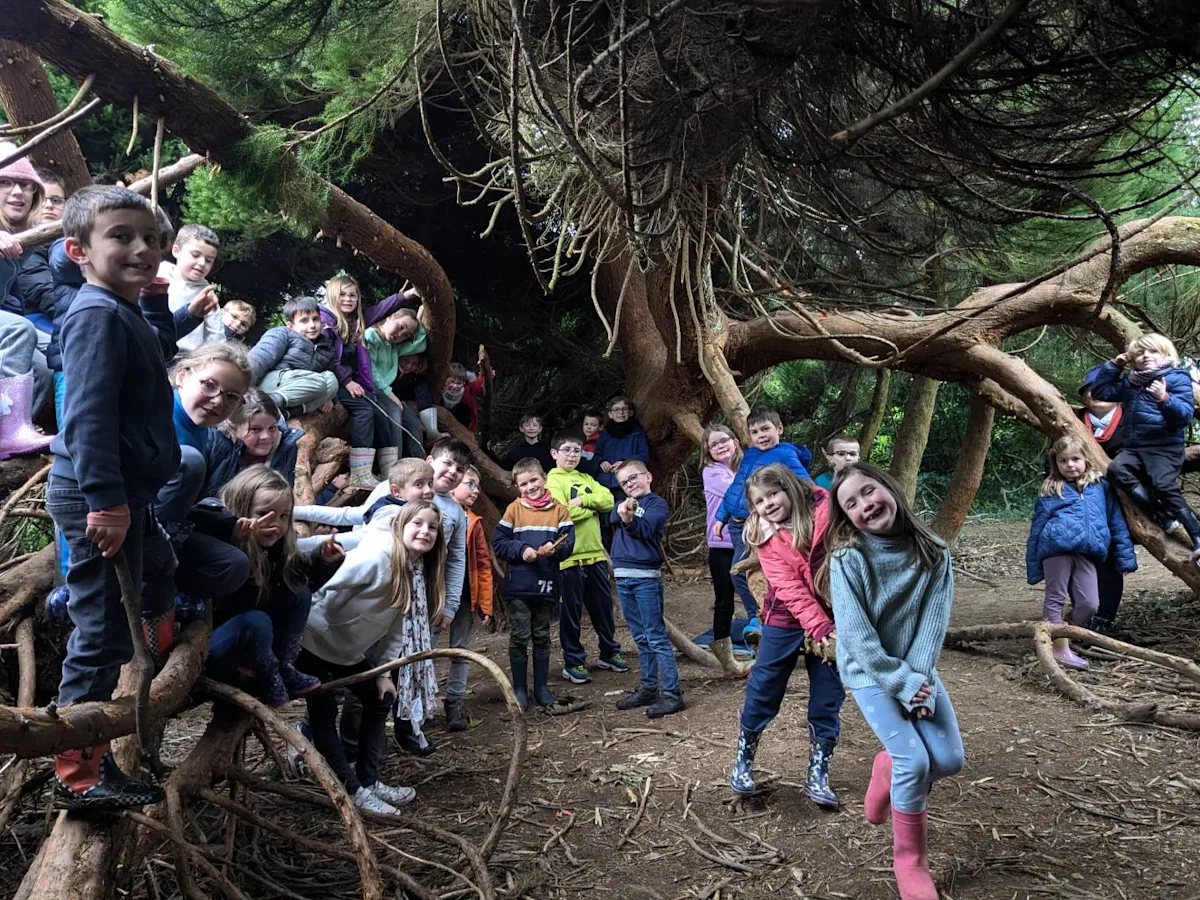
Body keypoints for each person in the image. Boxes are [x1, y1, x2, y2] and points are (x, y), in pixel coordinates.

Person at [47, 185, 181, 809]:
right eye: (121, 237)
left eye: (150, 238)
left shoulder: (121, 307)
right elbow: (87, 417)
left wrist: (154, 303)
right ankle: (78, 775)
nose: (142, 248)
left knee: (162, 573)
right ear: (77, 250)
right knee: (99, 635)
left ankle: (123, 644)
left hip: (130, 492)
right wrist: (106, 502)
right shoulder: (94, 314)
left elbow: (151, 362)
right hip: (97, 495)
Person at [822, 463, 964, 900]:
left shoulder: (934, 552)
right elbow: (856, 637)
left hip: (916, 669)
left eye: (869, 491)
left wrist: (918, 681)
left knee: (948, 759)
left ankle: (886, 768)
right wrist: (899, 683)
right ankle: (910, 863)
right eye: (852, 504)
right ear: (846, 518)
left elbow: (932, 625)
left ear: (889, 487)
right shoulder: (848, 559)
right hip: (870, 674)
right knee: (915, 762)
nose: (866, 505)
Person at [299, 500, 444, 815]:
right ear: (401, 526)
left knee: (379, 701)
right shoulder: (378, 557)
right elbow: (326, 585)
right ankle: (352, 792)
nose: (425, 531)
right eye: (417, 523)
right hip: (313, 642)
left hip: (346, 652)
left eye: (432, 527)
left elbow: (395, 630)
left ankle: (368, 780)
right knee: (324, 714)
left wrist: (381, 674)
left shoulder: (413, 570)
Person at [728, 464, 844, 809]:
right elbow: (789, 587)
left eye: (773, 494)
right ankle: (743, 762)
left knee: (828, 690)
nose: (768, 504)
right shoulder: (764, 535)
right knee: (765, 683)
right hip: (786, 614)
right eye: (759, 501)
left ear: (789, 487)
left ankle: (818, 771)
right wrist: (817, 625)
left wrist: (830, 624)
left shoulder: (828, 509)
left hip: (835, 610)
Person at [199, 466, 342, 703]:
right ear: (240, 509)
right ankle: (267, 675)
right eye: (264, 513)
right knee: (256, 621)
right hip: (215, 650)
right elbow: (199, 512)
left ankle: (283, 666)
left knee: (299, 593)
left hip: (253, 650)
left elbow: (299, 583)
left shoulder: (274, 549)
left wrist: (322, 561)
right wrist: (230, 528)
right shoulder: (220, 547)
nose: (275, 523)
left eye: (284, 516)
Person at [1027, 435, 1137, 669]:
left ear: (1086, 459)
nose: (1070, 465)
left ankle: (1062, 632)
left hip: (1088, 553)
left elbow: (1116, 521)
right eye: (1063, 461)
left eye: (1075, 459)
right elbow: (1037, 527)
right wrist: (1034, 565)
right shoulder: (1051, 488)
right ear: (1055, 463)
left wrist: (1125, 558)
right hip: (1057, 549)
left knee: (1090, 604)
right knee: (1055, 597)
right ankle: (1058, 649)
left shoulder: (1100, 487)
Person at [158, 343, 254, 605]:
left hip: (168, 535)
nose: (219, 401)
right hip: (125, 527)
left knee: (233, 565)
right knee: (189, 461)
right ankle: (151, 580)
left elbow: (184, 506)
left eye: (232, 397)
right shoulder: (153, 410)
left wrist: (227, 524)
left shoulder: (207, 435)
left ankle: (173, 594)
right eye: (209, 385)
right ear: (182, 375)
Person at [1090, 334, 1200, 558]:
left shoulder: (1177, 378)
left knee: (1163, 486)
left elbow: (1184, 417)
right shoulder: (1132, 382)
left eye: (1152, 351)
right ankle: (1161, 514)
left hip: (1164, 447)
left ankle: (1197, 535)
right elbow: (1101, 392)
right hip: (1136, 447)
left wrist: (1164, 398)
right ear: (1133, 359)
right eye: (1139, 353)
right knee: (1116, 470)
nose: (1145, 356)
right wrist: (1114, 366)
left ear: (1166, 355)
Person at [713, 407, 813, 645]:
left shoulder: (786, 455)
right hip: (736, 524)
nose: (761, 435)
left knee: (750, 571)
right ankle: (758, 616)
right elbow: (737, 487)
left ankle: (763, 616)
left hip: (756, 522)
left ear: (779, 429)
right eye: (755, 431)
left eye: (766, 429)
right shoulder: (749, 454)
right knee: (738, 573)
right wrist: (720, 516)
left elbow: (805, 484)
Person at [544, 429, 628, 684]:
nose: (572, 455)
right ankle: (573, 661)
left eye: (577, 450)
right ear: (554, 453)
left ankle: (609, 651)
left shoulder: (587, 477)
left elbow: (608, 500)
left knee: (603, 608)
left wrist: (584, 501)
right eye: (567, 450)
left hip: (595, 553)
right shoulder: (552, 480)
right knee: (570, 613)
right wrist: (589, 508)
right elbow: (562, 513)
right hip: (569, 556)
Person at [492, 459, 575, 708]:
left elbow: (568, 542)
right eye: (524, 484)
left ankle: (541, 687)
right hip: (519, 586)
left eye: (534, 480)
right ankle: (519, 687)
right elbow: (498, 542)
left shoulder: (559, 510)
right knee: (519, 637)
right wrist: (522, 549)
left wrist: (555, 551)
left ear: (544, 478)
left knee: (541, 636)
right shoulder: (513, 510)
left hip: (546, 585)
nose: (530, 487)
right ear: (518, 487)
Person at [321, 274, 417, 486]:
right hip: (333, 380)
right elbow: (328, 359)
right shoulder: (326, 321)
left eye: (352, 295)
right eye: (343, 295)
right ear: (333, 295)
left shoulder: (355, 322)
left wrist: (408, 295)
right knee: (364, 411)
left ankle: (388, 474)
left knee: (380, 416)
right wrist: (347, 382)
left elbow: (380, 309)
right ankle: (360, 473)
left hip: (352, 381)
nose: (348, 299)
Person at [611, 460, 683, 718]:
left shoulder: (656, 504)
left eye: (634, 478)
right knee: (640, 636)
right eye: (624, 482)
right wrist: (625, 512)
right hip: (622, 576)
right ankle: (649, 687)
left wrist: (629, 517)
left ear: (649, 476)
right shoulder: (620, 505)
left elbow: (646, 529)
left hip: (645, 578)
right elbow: (613, 517)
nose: (630, 484)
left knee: (655, 635)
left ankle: (672, 694)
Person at [1073, 369, 1131, 633]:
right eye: (1090, 388)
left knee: (1109, 561)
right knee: (1077, 559)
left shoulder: (1132, 419)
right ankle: (1081, 617)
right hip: (1077, 502)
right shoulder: (1071, 420)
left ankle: (1104, 619)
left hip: (1118, 505)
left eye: (1104, 387)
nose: (1095, 393)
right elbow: (1053, 457)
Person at [0, 145, 53, 431]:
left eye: (25, 185)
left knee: (48, 365)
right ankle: (9, 429)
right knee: (19, 329)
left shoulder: (28, 236)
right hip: (9, 326)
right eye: (4, 182)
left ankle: (16, 432)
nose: (17, 192)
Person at [425, 438, 472, 735]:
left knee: (425, 654)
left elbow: (457, 561)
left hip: (433, 596)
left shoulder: (456, 512)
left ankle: (418, 718)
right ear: (430, 460)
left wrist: (451, 603)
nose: (452, 471)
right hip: (393, 593)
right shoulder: (406, 490)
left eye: (460, 468)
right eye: (447, 463)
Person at [294, 457, 436, 553]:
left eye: (430, 484)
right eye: (419, 484)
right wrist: (294, 513)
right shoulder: (393, 512)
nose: (428, 490)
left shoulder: (406, 512)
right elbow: (345, 517)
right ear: (396, 491)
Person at [700, 424, 751, 678]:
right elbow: (741, 495)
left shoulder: (746, 467)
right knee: (724, 600)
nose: (720, 447)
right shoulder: (712, 472)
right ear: (708, 451)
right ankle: (727, 660)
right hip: (722, 545)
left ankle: (767, 649)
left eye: (724, 441)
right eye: (714, 444)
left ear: (734, 441)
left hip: (749, 543)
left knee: (759, 594)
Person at [248, 296, 339, 419]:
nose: (312, 325)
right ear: (290, 325)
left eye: (315, 319)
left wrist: (329, 398)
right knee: (319, 382)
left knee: (331, 380)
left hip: (298, 388)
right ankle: (265, 405)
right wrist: (241, 387)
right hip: (270, 382)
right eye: (304, 321)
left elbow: (326, 382)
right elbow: (259, 359)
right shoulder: (282, 333)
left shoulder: (325, 348)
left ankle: (286, 413)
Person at [202, 389, 302, 498]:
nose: (266, 436)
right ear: (232, 427)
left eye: (272, 428)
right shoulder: (216, 446)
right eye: (255, 429)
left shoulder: (286, 448)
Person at [365, 308, 427, 456]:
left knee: (412, 422)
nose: (399, 334)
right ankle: (393, 465)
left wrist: (420, 317)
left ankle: (419, 465)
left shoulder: (393, 346)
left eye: (405, 334)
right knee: (394, 412)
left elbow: (420, 344)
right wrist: (391, 396)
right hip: (369, 390)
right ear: (390, 316)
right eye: (400, 327)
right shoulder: (371, 336)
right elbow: (369, 371)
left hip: (384, 394)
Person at [162, 223, 223, 354]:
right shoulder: (158, 275)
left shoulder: (207, 293)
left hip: (186, 360)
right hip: (152, 350)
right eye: (195, 255)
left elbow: (215, 335)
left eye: (209, 260)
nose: (201, 263)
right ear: (176, 251)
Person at [451, 465, 494, 638]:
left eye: (478, 487)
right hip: (436, 593)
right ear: (452, 484)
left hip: (464, 593)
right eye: (470, 484)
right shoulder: (434, 513)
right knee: (427, 644)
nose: (476, 491)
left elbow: (483, 563)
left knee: (461, 648)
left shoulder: (474, 522)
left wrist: (485, 603)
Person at [593, 396, 650, 504]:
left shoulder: (637, 432)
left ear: (631, 412)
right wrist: (601, 461)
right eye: (616, 409)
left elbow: (644, 455)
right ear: (610, 414)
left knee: (624, 512)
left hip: (628, 483)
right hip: (604, 482)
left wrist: (625, 463)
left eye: (624, 409)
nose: (621, 412)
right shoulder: (605, 434)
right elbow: (596, 454)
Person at [440, 359, 488, 432]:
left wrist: (487, 375)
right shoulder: (438, 391)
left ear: (464, 383)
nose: (455, 386)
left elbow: (479, 385)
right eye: (452, 382)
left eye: (459, 383)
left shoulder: (467, 392)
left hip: (462, 429)